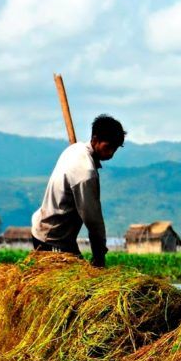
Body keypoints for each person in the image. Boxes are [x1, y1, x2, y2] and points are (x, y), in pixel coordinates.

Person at [30, 114, 125, 268]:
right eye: (108, 147)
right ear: (95, 140)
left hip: (61, 238)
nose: (110, 154)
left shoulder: (75, 149)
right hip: (52, 238)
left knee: (84, 277)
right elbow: (93, 220)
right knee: (79, 283)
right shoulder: (85, 173)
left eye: (114, 149)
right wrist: (99, 256)